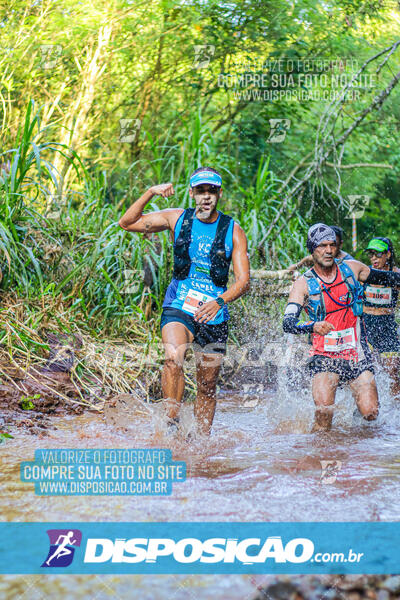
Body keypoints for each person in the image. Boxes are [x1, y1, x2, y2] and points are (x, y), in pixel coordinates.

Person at [119, 167, 250, 436]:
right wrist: (150, 192)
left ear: (219, 194)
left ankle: (201, 443)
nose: (206, 197)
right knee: (173, 357)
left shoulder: (233, 231)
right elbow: (127, 223)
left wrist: (219, 301)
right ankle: (171, 420)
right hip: (179, 304)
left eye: (211, 191)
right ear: (191, 194)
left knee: (207, 385)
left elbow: (243, 281)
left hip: (214, 313)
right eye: (200, 191)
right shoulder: (177, 218)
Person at [282, 223, 400, 431]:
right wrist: (312, 325)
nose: (328, 251)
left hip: (356, 353)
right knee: (324, 416)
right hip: (324, 356)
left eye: (332, 245)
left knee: (371, 413)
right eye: (322, 246)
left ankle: (356, 449)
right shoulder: (303, 284)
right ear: (312, 249)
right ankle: (319, 457)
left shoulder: (352, 269)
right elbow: (288, 323)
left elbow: (388, 278)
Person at [363, 237, 400, 399]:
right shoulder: (364, 272)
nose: (373, 258)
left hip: (387, 326)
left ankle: (393, 407)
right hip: (366, 324)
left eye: (378, 254)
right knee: (366, 369)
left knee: (393, 371)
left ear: (388, 255)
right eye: (371, 255)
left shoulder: (396, 274)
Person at [287, 225, 354, 272]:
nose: (328, 249)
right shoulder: (319, 257)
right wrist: (293, 269)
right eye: (324, 245)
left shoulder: (348, 263)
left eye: (333, 245)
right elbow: (299, 264)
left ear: (340, 244)